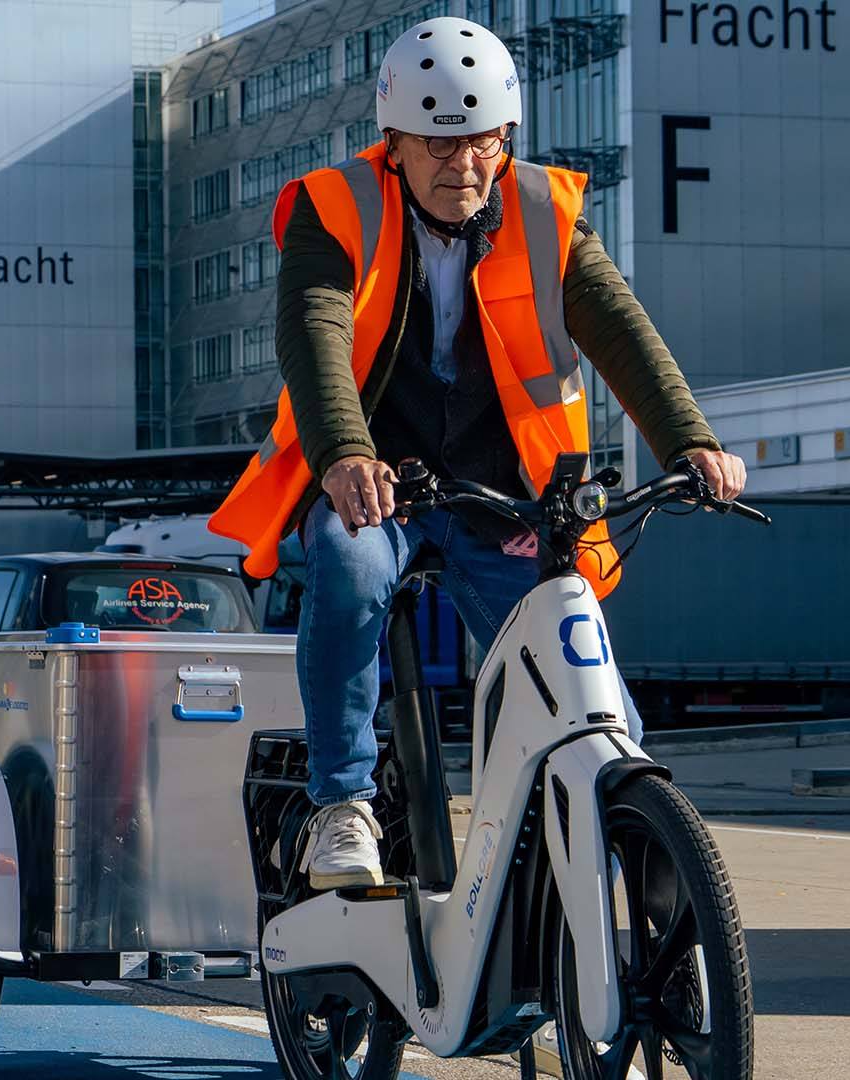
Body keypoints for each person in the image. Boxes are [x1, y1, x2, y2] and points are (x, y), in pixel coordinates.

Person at [208, 16, 746, 889]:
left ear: (507, 136)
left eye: (483, 142)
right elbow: (316, 333)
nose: (463, 165)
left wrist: (691, 440)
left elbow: (622, 331)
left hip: (503, 498)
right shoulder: (332, 207)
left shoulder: (545, 214)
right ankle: (341, 803)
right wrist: (344, 453)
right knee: (345, 570)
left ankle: (623, 820)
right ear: (395, 143)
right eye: (438, 145)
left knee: (574, 653)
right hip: (378, 489)